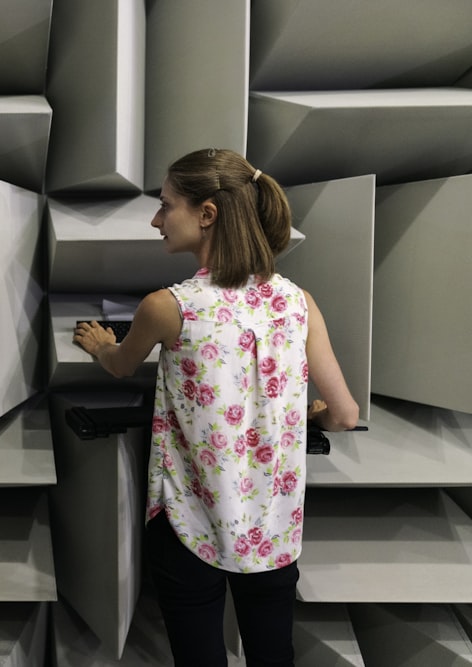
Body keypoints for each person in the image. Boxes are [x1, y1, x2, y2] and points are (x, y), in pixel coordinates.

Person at [73, 148, 358, 666]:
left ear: (207, 214)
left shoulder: (168, 306)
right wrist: (307, 415)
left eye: (166, 205)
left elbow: (119, 365)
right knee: (274, 655)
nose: (157, 220)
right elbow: (344, 415)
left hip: (190, 525)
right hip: (272, 526)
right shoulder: (298, 302)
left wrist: (97, 345)